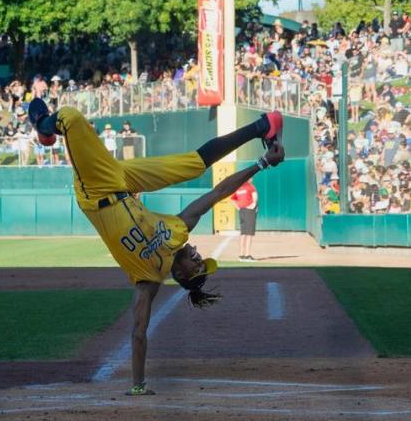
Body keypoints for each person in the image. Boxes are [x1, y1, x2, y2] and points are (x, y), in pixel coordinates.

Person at [28, 98, 284, 396]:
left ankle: (42, 127)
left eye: (198, 265)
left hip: (96, 190)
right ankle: (261, 126)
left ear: (185, 275)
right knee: (193, 165)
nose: (199, 256)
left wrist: (138, 385)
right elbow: (220, 191)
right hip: (124, 181)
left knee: (69, 117)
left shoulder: (149, 278)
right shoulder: (178, 231)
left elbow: (138, 332)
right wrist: (262, 163)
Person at [232, 179, 259, 261]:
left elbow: (233, 199)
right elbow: (255, 199)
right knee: (249, 234)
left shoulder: (238, 187)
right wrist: (253, 206)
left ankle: (241, 255)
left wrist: (239, 208)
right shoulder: (250, 187)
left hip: (242, 211)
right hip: (249, 211)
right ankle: (247, 255)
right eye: (251, 178)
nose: (252, 179)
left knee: (243, 233)